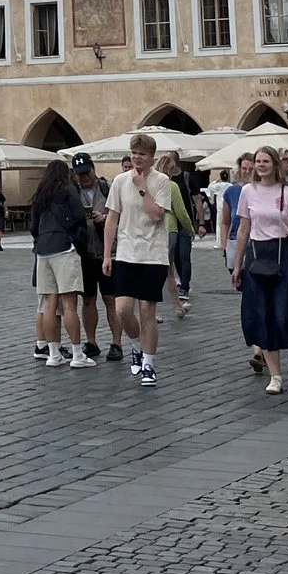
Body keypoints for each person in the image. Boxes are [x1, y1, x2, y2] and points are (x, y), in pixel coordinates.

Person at [228, 147, 288, 393]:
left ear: (275, 164)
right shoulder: (247, 192)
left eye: (265, 161)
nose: (260, 165)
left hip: (282, 252)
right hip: (257, 254)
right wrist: (238, 264)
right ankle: (275, 375)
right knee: (262, 315)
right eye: (258, 161)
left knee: (284, 314)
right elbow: (243, 229)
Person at [101, 134, 176, 390]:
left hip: (153, 254)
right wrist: (107, 254)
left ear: (151, 157)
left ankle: (149, 365)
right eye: (134, 152)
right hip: (126, 253)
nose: (137, 157)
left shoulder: (161, 181)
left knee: (147, 311)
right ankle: (136, 345)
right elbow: (112, 218)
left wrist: (142, 186)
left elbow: (156, 215)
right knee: (122, 309)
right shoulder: (120, 181)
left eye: (142, 154)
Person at [27, 157, 90, 367]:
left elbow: (33, 226)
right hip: (64, 247)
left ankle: (53, 353)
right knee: (69, 304)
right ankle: (77, 354)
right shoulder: (68, 190)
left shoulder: (39, 194)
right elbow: (79, 217)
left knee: (49, 305)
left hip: (43, 250)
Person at [70, 155, 121, 360]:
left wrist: (105, 218)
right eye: (80, 175)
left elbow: (122, 214)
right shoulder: (73, 192)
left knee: (110, 299)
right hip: (84, 253)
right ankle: (91, 342)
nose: (84, 178)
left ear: (93, 169)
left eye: (86, 173)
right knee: (88, 299)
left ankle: (117, 343)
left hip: (108, 252)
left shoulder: (108, 189)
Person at [156, 150, 195, 316]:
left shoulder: (149, 184)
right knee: (163, 270)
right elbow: (181, 212)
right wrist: (190, 230)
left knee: (168, 270)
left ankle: (178, 306)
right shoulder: (171, 186)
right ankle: (153, 311)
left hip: (151, 230)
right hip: (169, 228)